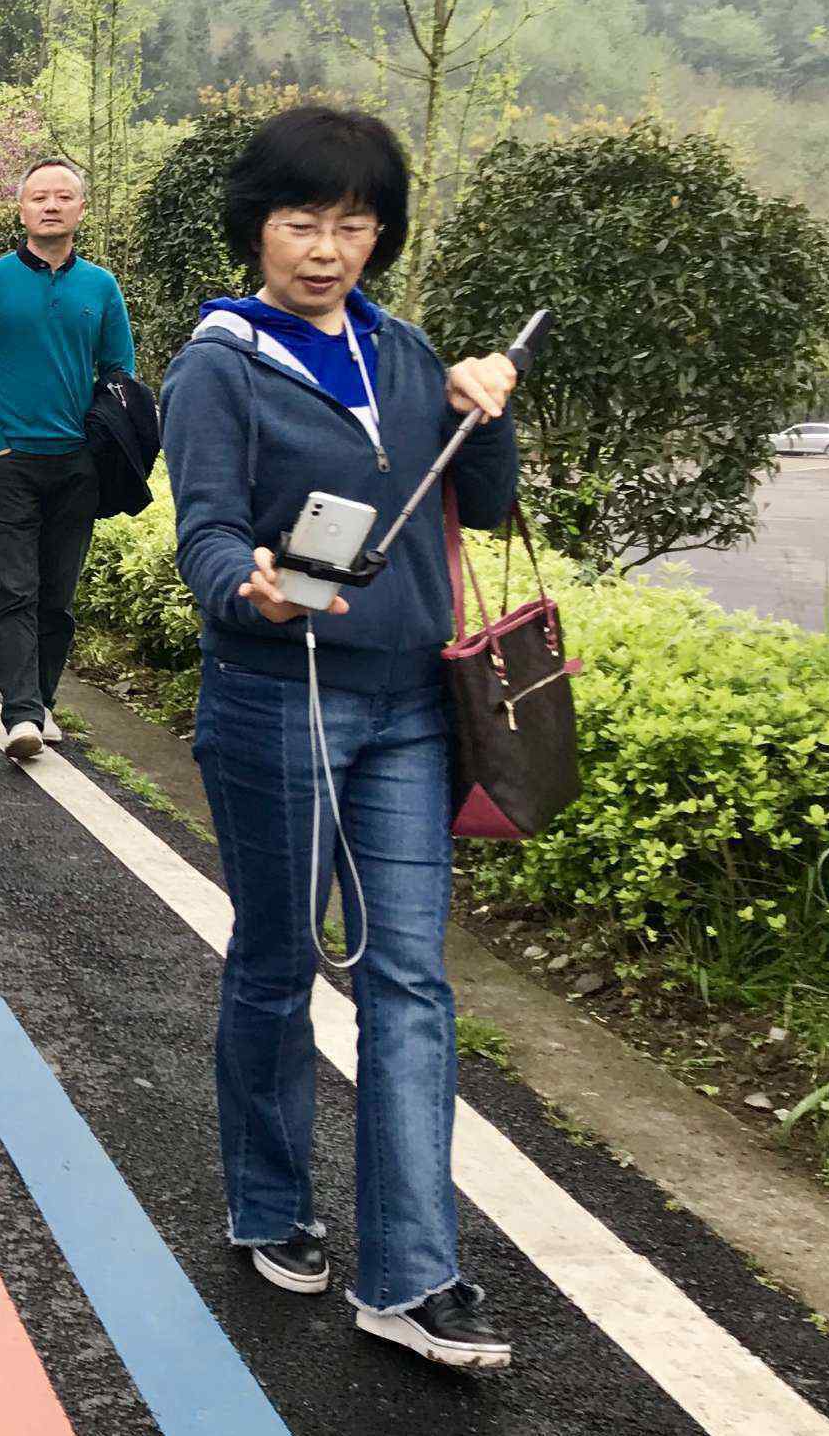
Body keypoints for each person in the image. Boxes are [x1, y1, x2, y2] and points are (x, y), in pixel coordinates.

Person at [160, 104, 521, 1370]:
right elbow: (205, 528)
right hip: (276, 698)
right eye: (302, 222)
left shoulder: (404, 353)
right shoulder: (219, 365)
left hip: (412, 706)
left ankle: (412, 1277)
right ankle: (268, 1202)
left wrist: (488, 406)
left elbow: (484, 502)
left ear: (382, 234)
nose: (326, 250)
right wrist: (245, 589)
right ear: (257, 227)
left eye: (354, 225)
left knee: (409, 979)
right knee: (275, 962)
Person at [0, 157, 137, 763]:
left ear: (81, 207)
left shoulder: (101, 287)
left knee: (57, 596)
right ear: (22, 209)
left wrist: (98, 443)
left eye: (62, 196)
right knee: (16, 589)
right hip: (9, 464)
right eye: (39, 197)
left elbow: (120, 375)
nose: (50, 205)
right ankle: (22, 714)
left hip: (76, 466)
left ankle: (43, 700)